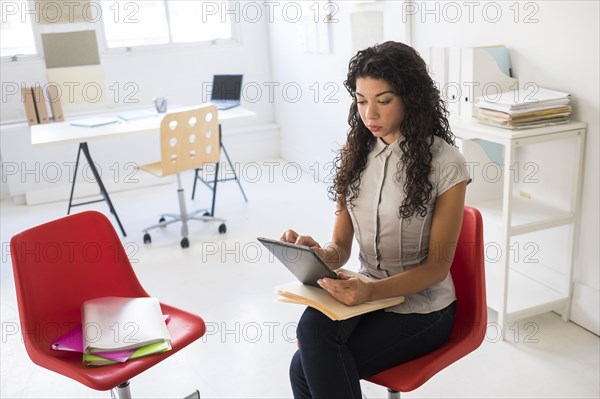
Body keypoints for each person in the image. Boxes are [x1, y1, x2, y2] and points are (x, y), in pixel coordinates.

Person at [281, 41, 470, 399]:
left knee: (305, 368)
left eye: (383, 100)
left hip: (422, 307)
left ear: (411, 98)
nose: (370, 114)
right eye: (361, 100)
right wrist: (316, 254)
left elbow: (437, 267)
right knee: (310, 339)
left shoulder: (447, 163)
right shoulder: (355, 154)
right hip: (364, 291)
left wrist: (371, 291)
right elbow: (340, 248)